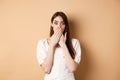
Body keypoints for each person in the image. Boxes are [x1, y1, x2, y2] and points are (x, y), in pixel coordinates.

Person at [36, 11, 81, 80]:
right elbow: (46, 70)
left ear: (65, 26)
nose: (59, 26)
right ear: (52, 24)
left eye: (62, 23)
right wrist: (52, 45)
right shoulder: (42, 43)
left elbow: (72, 68)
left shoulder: (75, 42)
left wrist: (63, 45)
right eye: (56, 23)